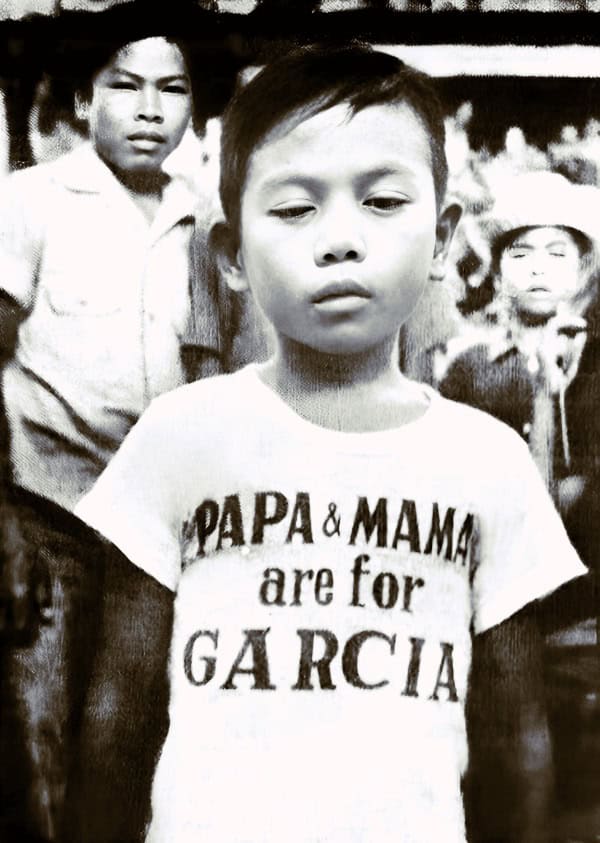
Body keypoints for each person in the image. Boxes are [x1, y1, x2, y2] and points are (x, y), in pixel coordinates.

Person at [73, 46, 586, 843]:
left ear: (445, 238)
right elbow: (116, 718)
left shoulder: (485, 460)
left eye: (382, 202)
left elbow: (515, 739)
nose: (341, 240)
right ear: (232, 254)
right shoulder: (180, 436)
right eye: (294, 209)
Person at [0, 26, 227, 843]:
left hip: (157, 539)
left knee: (131, 749)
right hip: (45, 517)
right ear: (83, 99)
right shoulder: (30, 202)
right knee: (36, 747)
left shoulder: (206, 219)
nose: (148, 110)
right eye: (126, 86)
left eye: (171, 91)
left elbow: (210, 375)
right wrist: (3, 530)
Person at [440, 171, 599, 498]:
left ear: (580, 270)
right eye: (521, 253)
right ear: (496, 272)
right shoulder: (470, 368)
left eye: (556, 253)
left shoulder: (591, 362)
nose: (538, 268)